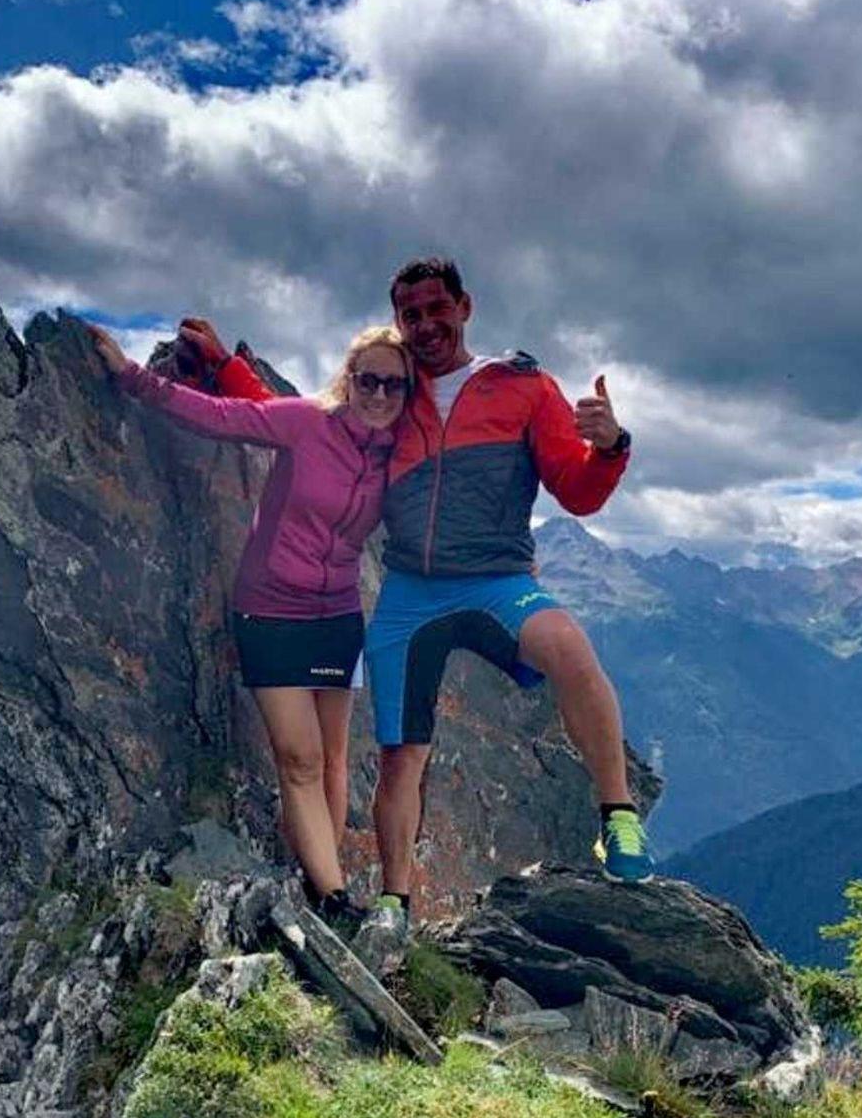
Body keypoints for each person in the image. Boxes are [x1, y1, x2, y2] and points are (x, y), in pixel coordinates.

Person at [214, 257, 651, 930]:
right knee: (400, 755)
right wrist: (225, 368)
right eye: (410, 314)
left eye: (436, 309)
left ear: (464, 307)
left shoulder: (524, 388)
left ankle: (617, 814)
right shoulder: (392, 391)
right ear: (398, 320)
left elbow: (580, 492)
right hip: (411, 593)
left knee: (569, 649)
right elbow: (307, 422)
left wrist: (611, 446)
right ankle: (395, 902)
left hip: (497, 580)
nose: (425, 325)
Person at [86, 317, 411, 930]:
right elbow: (230, 417)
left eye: (394, 385)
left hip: (339, 615)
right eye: (368, 380)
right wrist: (132, 377)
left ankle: (322, 884)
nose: (379, 394)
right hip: (271, 609)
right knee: (299, 758)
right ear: (349, 379)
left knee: (334, 760)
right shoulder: (309, 421)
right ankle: (335, 898)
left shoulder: (398, 454)